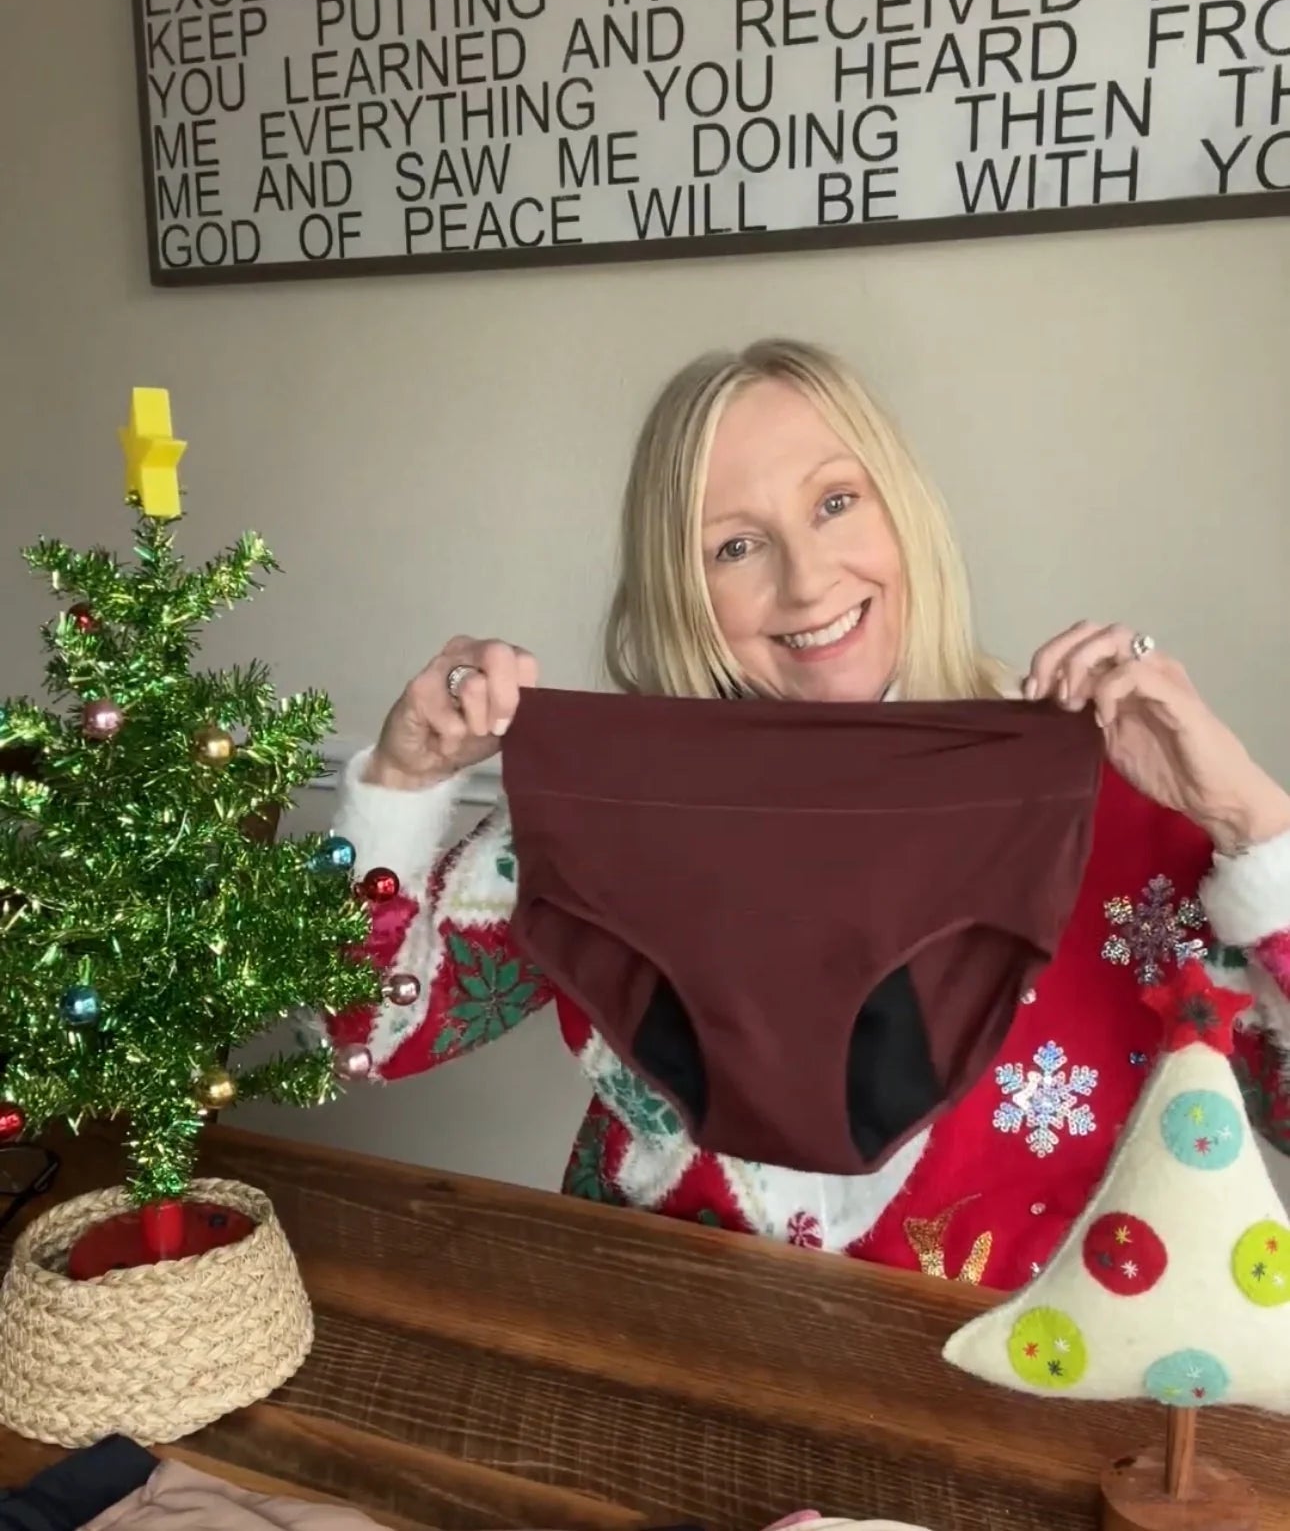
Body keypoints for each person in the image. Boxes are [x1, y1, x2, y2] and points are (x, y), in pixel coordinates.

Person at [328, 340, 1290, 1291]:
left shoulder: (1107, 791)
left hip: (1021, 1371)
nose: (806, 579)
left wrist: (1250, 815)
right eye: (735, 546)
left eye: (836, 503)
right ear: (682, 589)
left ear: (902, 509)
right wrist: (403, 780)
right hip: (654, 1346)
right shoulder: (622, 804)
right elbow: (368, 1031)